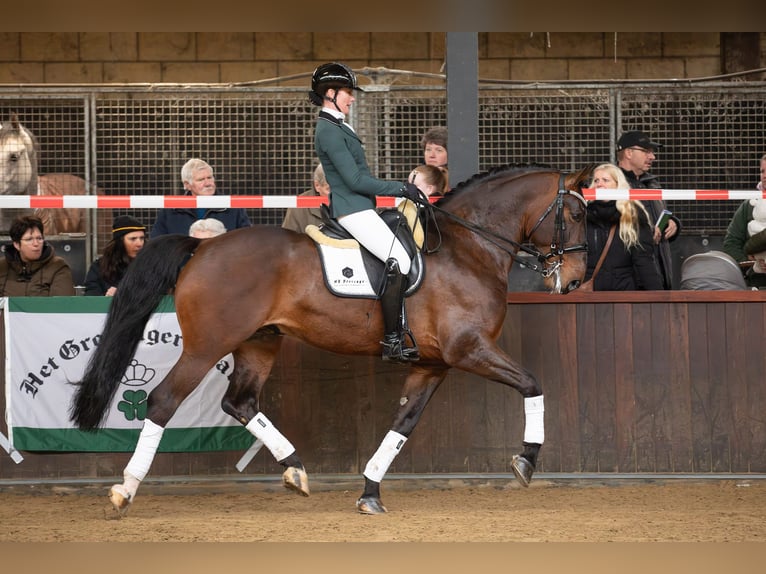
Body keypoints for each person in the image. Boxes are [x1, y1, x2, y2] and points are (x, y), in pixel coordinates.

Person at [309, 61, 422, 363]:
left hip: (361, 206)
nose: (353, 98)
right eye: (348, 92)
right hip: (352, 209)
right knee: (399, 259)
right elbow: (355, 180)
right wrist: (401, 188)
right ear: (330, 93)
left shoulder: (339, 125)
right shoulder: (329, 131)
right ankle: (392, 339)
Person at [616, 130, 681, 290]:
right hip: (629, 281)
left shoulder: (652, 183)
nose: (652, 157)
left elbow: (662, 215)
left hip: (659, 273)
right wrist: (646, 232)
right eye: (646, 151)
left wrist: (673, 223)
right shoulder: (611, 185)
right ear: (629, 153)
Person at [583, 163, 663, 291]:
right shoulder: (584, 213)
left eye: (606, 180)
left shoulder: (633, 213)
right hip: (591, 290)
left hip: (624, 290)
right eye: (596, 180)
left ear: (617, 184)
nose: (599, 184)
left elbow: (644, 259)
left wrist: (658, 296)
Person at [150, 159, 251, 238]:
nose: (208, 183)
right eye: (201, 180)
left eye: (210, 177)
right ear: (187, 185)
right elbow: (157, 244)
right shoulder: (170, 210)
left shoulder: (233, 207)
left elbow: (246, 241)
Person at [0, 215, 75, 296]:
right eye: (29, 239)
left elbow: (62, 305)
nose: (36, 244)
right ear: (17, 244)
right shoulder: (2, 267)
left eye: (39, 238)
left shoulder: (58, 267)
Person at [722, 153, 766, 288]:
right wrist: (751, 263)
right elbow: (731, 244)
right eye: (762, 171)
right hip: (758, 283)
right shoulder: (748, 206)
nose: (764, 175)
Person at [84, 215, 146, 296]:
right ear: (120, 242)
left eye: (142, 238)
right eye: (133, 239)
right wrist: (106, 299)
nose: (139, 244)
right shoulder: (99, 267)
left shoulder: (151, 265)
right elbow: (91, 298)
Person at [281, 163, 331, 234]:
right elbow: (287, 240)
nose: (337, 195)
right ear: (317, 185)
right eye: (329, 189)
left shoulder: (351, 201)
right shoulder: (298, 208)